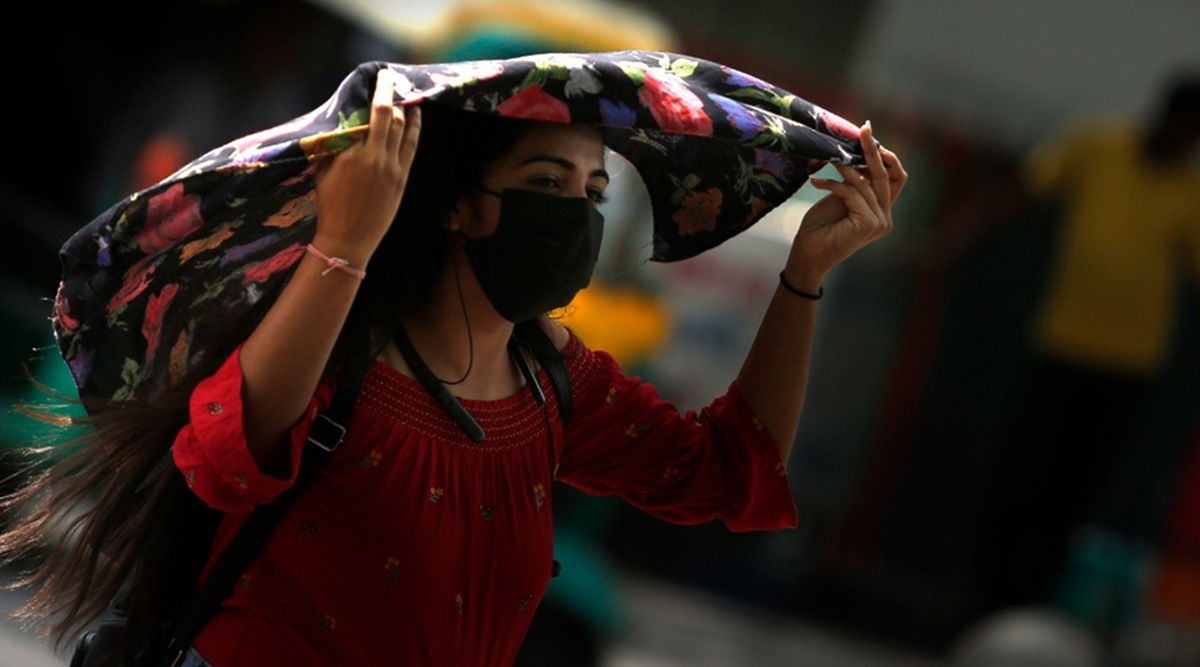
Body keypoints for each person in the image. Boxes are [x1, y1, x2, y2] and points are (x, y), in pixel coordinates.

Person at [4, 61, 906, 666]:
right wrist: (347, 239)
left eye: (593, 192)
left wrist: (805, 274)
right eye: (547, 185)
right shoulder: (335, 343)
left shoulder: (555, 382)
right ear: (457, 205)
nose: (577, 216)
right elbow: (228, 463)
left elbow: (727, 471)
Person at [974, 71, 1200, 626]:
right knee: (1021, 479)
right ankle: (983, 606)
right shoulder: (1096, 148)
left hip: (1128, 370)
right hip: (1061, 347)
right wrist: (945, 246)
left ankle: (1030, 613)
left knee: (1076, 497)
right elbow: (1021, 195)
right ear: (1166, 117)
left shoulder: (1189, 191)